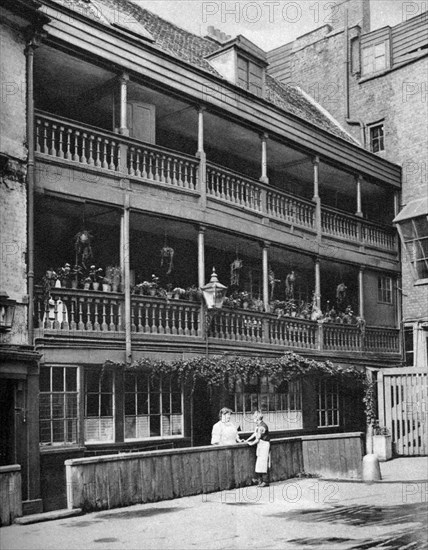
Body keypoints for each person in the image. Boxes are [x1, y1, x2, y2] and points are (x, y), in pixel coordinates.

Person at [245, 410, 271, 487]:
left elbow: (257, 439)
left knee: (263, 463)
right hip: (260, 445)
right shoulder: (258, 426)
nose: (253, 420)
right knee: (259, 463)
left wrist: (251, 443)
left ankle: (265, 481)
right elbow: (254, 434)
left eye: (254, 418)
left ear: (257, 418)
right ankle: (260, 480)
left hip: (264, 445)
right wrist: (247, 440)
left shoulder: (262, 427)